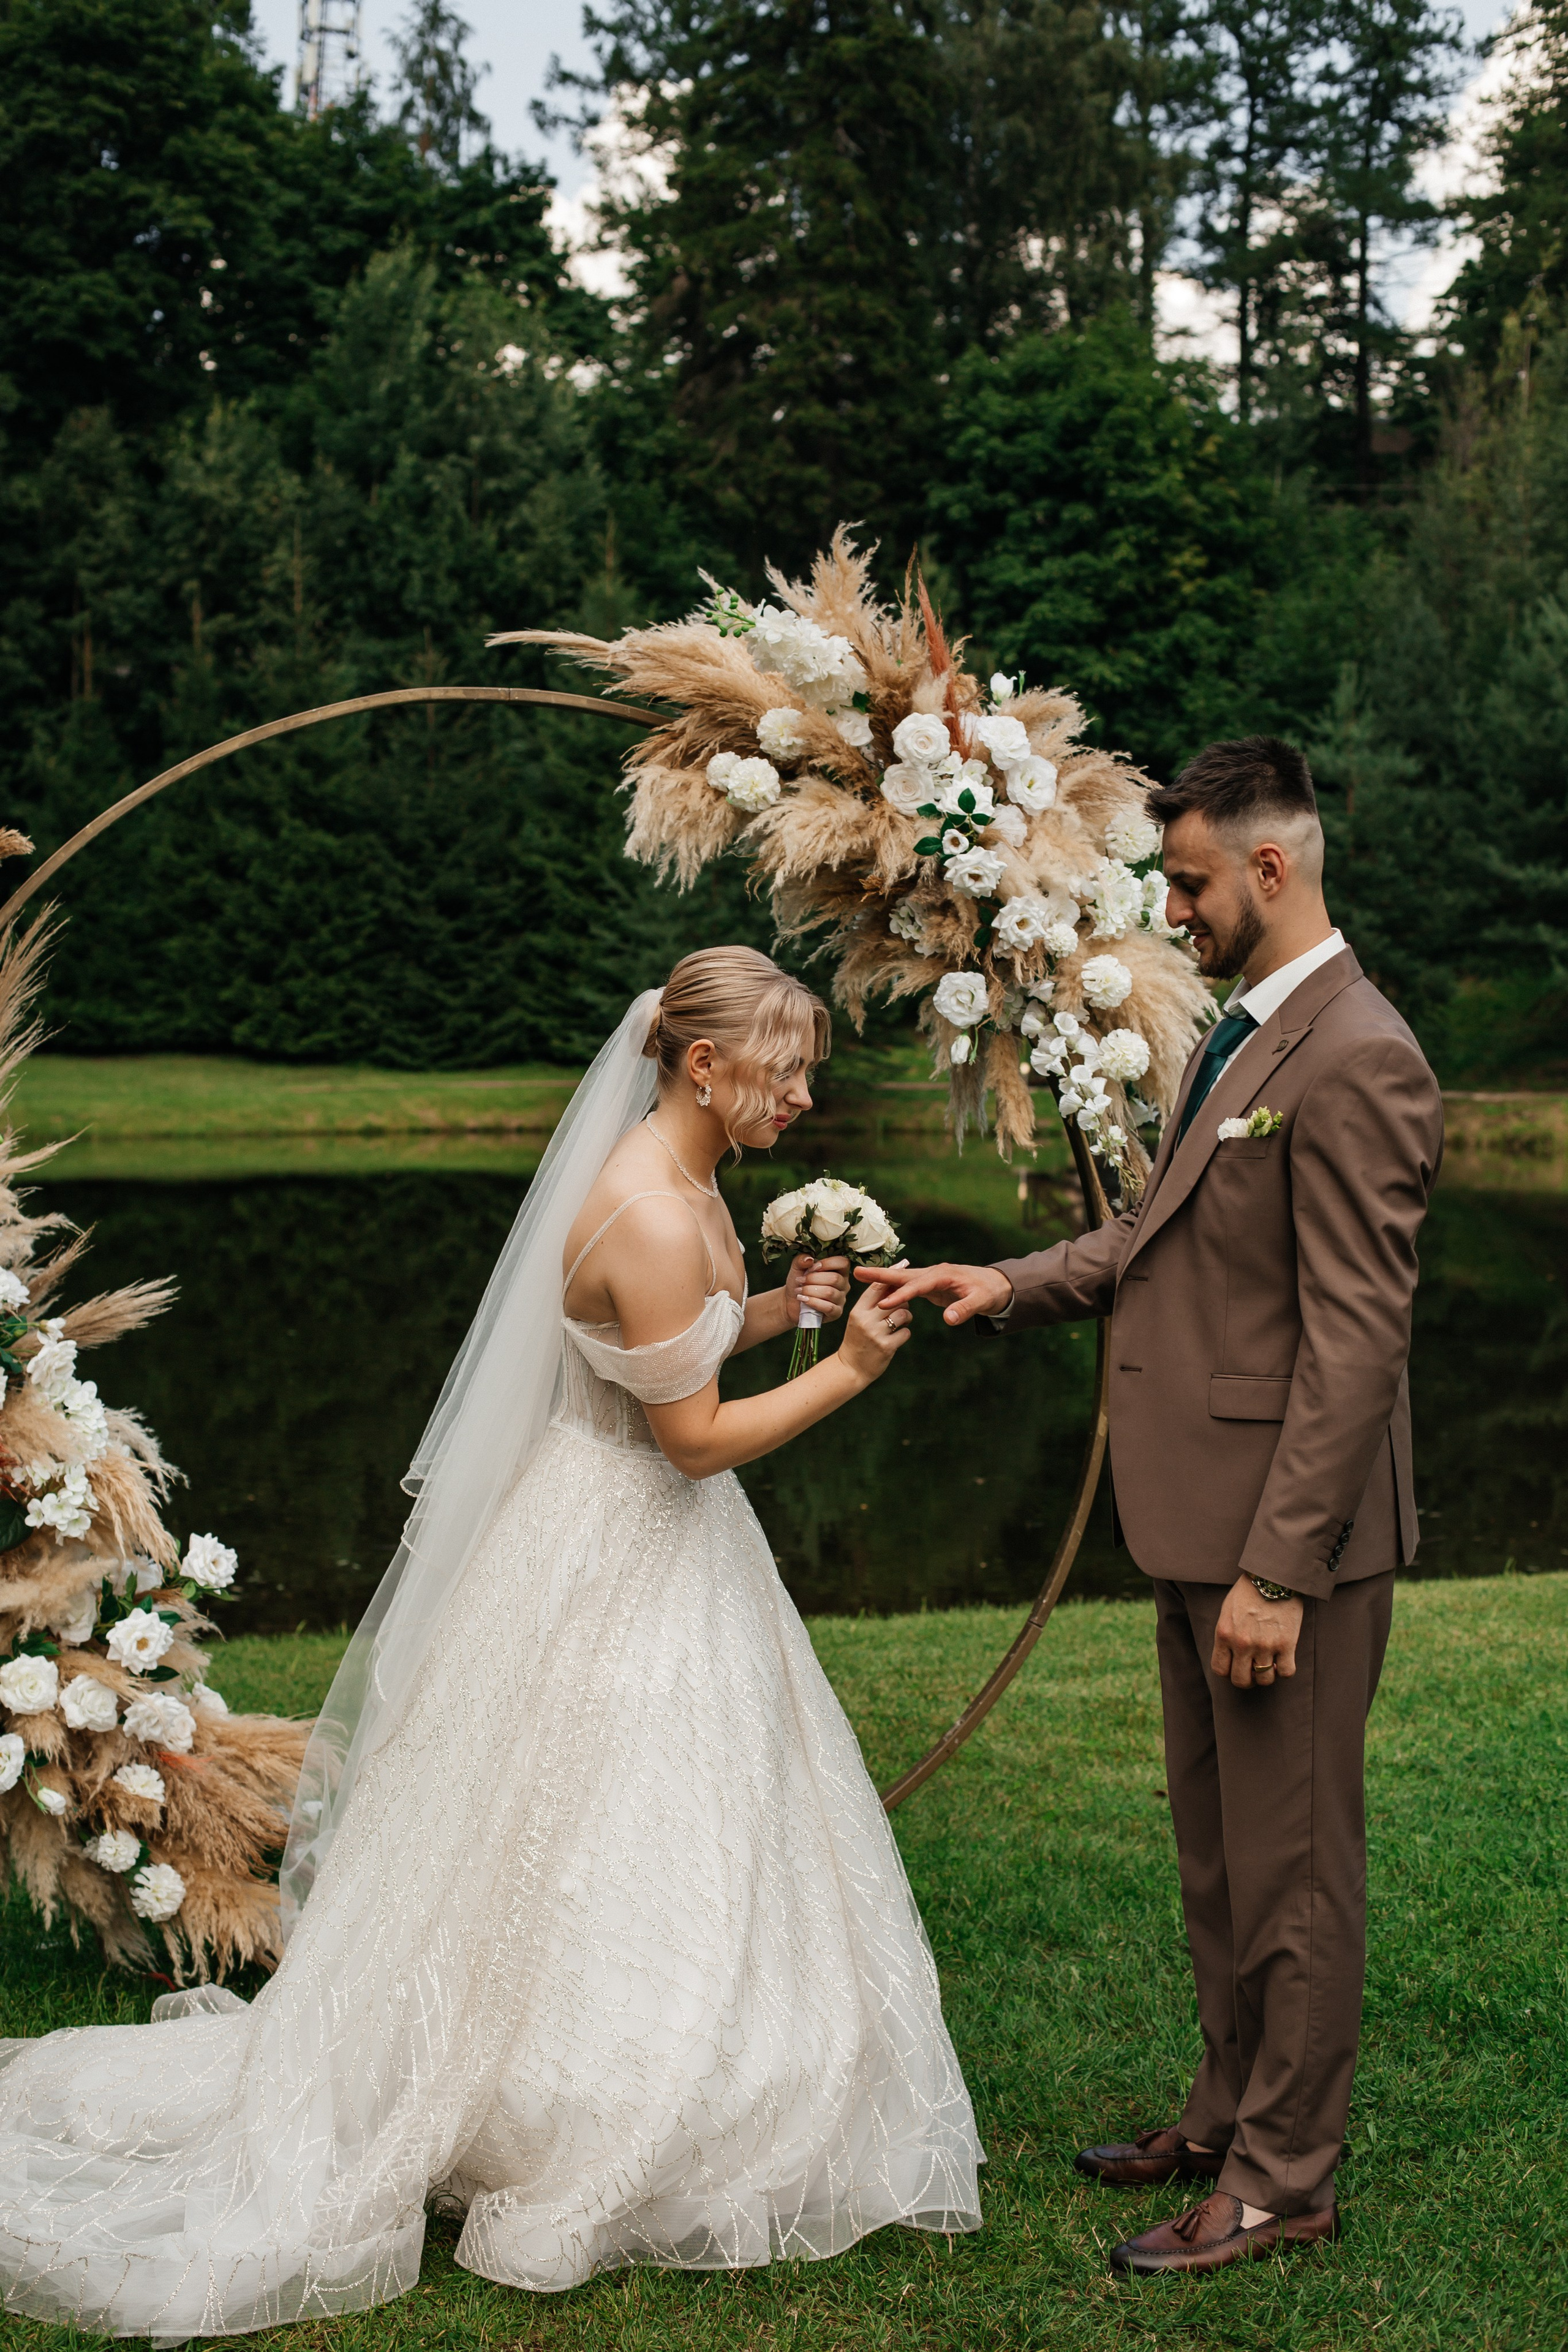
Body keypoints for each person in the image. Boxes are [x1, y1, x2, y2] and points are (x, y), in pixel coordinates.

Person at [0, 946, 980, 2339]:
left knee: (674, 1810)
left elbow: (673, 1354)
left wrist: (777, 1312)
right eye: (787, 1068)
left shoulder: (687, 1173)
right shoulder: (643, 1207)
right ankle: (564, 2097)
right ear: (702, 1066)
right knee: (581, 1808)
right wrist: (844, 1372)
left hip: (655, 1543)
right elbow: (691, 1440)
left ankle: (709, 2045)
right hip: (619, 1540)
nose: (805, 1095)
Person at [861, 738, 1442, 2276]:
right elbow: (1160, 1236)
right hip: (1193, 1523)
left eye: (1186, 882)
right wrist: (1003, 1282)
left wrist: (1277, 1573)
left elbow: (1353, 1344)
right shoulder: (1247, 1036)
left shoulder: (1360, 1052)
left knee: (1294, 1869)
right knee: (1219, 1856)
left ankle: (1282, 2177)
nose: (1168, 909)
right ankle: (1222, 2106)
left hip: (1277, 1544)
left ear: (1269, 867)